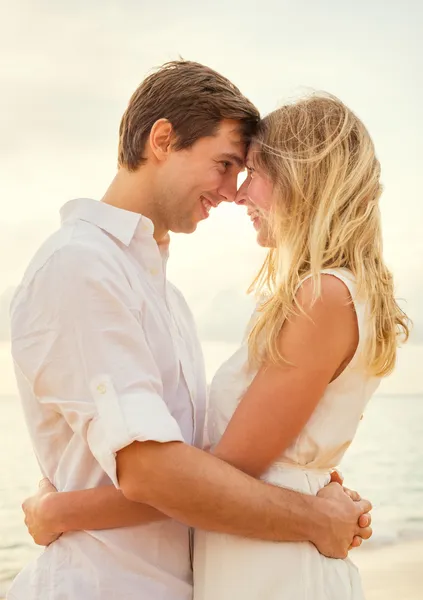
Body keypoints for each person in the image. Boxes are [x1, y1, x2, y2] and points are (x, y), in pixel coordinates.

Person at [9, 62, 371, 600]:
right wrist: (313, 518)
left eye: (243, 171)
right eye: (224, 164)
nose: (232, 191)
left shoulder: (166, 297)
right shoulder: (80, 265)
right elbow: (154, 473)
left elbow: (209, 463)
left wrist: (313, 481)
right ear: (162, 139)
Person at [192, 94, 410, 599]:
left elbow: (225, 476)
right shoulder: (327, 293)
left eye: (255, 171)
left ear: (304, 177)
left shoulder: (325, 296)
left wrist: (70, 511)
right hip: (262, 556)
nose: (240, 194)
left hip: (275, 570)